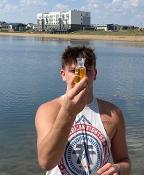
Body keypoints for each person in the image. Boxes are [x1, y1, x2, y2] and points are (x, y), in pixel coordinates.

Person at [35, 46, 131, 175]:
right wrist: (68, 112)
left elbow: (124, 162)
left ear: (95, 74)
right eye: (74, 71)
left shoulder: (113, 114)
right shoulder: (48, 110)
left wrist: (118, 169)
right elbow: (46, 162)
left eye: (87, 71)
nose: (81, 77)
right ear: (63, 74)